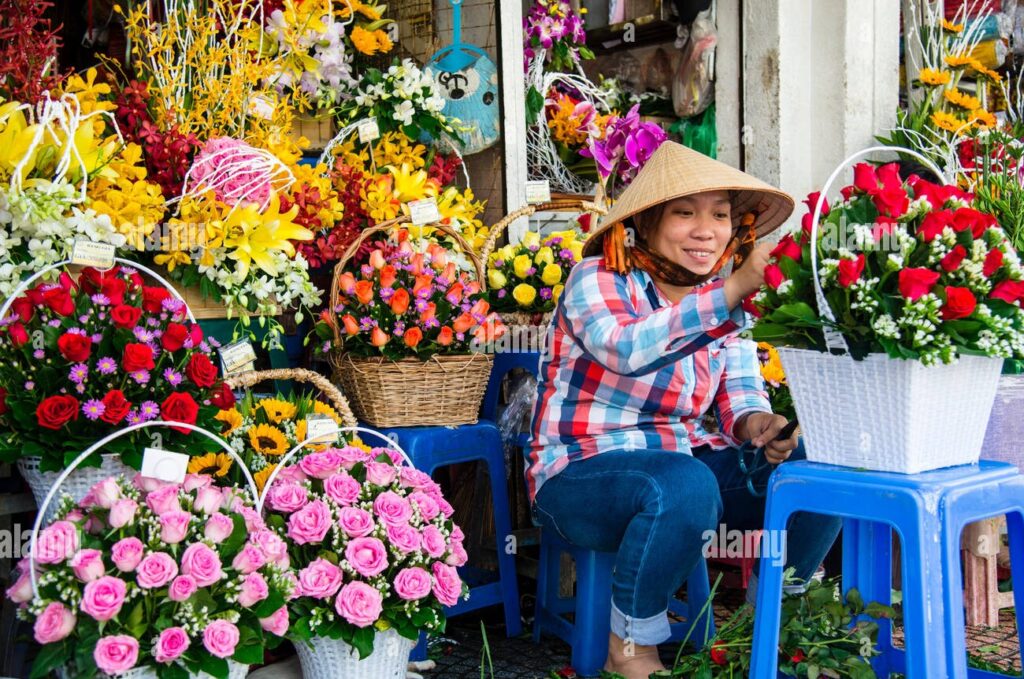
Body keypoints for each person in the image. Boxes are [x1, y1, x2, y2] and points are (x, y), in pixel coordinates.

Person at [526, 142, 841, 679]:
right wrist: (731, 292)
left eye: (720, 214)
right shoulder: (598, 280)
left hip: (684, 471)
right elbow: (625, 350)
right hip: (579, 477)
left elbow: (740, 397)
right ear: (646, 224)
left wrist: (759, 425)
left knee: (815, 466)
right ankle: (631, 645)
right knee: (684, 482)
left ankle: (774, 622)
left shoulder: (724, 302)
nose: (706, 230)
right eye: (684, 213)